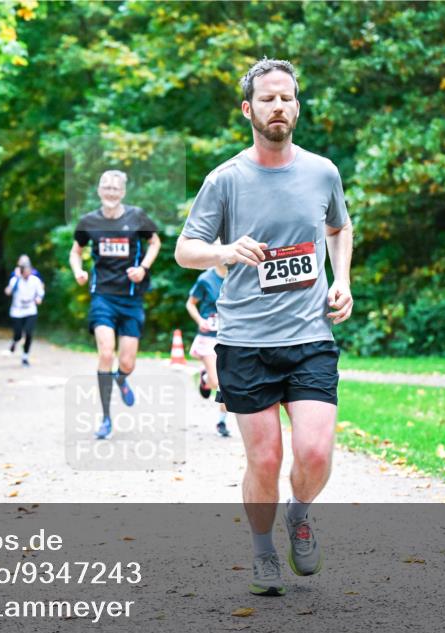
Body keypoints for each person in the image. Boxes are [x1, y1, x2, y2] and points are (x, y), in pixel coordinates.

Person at [174, 58, 354, 597]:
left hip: (310, 337)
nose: (279, 106)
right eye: (268, 98)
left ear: (296, 106)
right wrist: (224, 250)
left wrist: (341, 278)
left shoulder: (322, 170)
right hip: (245, 343)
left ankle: (299, 515)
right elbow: (186, 250)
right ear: (249, 109)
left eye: (287, 98)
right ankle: (262, 552)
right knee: (266, 458)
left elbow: (338, 227)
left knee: (316, 452)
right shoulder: (224, 179)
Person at [70, 170, 161, 440]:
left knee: (127, 362)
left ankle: (121, 378)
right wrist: (78, 271)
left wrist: (143, 267)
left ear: (122, 192)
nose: (110, 192)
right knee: (106, 354)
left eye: (115, 188)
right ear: (99, 190)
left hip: (131, 298)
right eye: (106, 187)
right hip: (103, 296)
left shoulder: (137, 217)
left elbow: (155, 242)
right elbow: (76, 251)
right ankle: (106, 418)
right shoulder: (88, 222)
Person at [186, 262, 231, 437]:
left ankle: (222, 421)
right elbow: (190, 304)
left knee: (227, 382)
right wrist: (200, 321)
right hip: (208, 337)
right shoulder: (205, 279)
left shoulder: (237, 276)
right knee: (216, 382)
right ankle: (206, 377)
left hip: (229, 337)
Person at [5, 256, 45, 367]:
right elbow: (8, 292)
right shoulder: (15, 280)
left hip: (30, 310)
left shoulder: (35, 280)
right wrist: (17, 279)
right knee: (18, 334)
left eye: (29, 271)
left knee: (28, 333)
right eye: (25, 271)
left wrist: (39, 298)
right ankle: (14, 342)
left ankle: (25, 356)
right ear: (21, 271)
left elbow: (40, 292)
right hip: (17, 311)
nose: (27, 273)